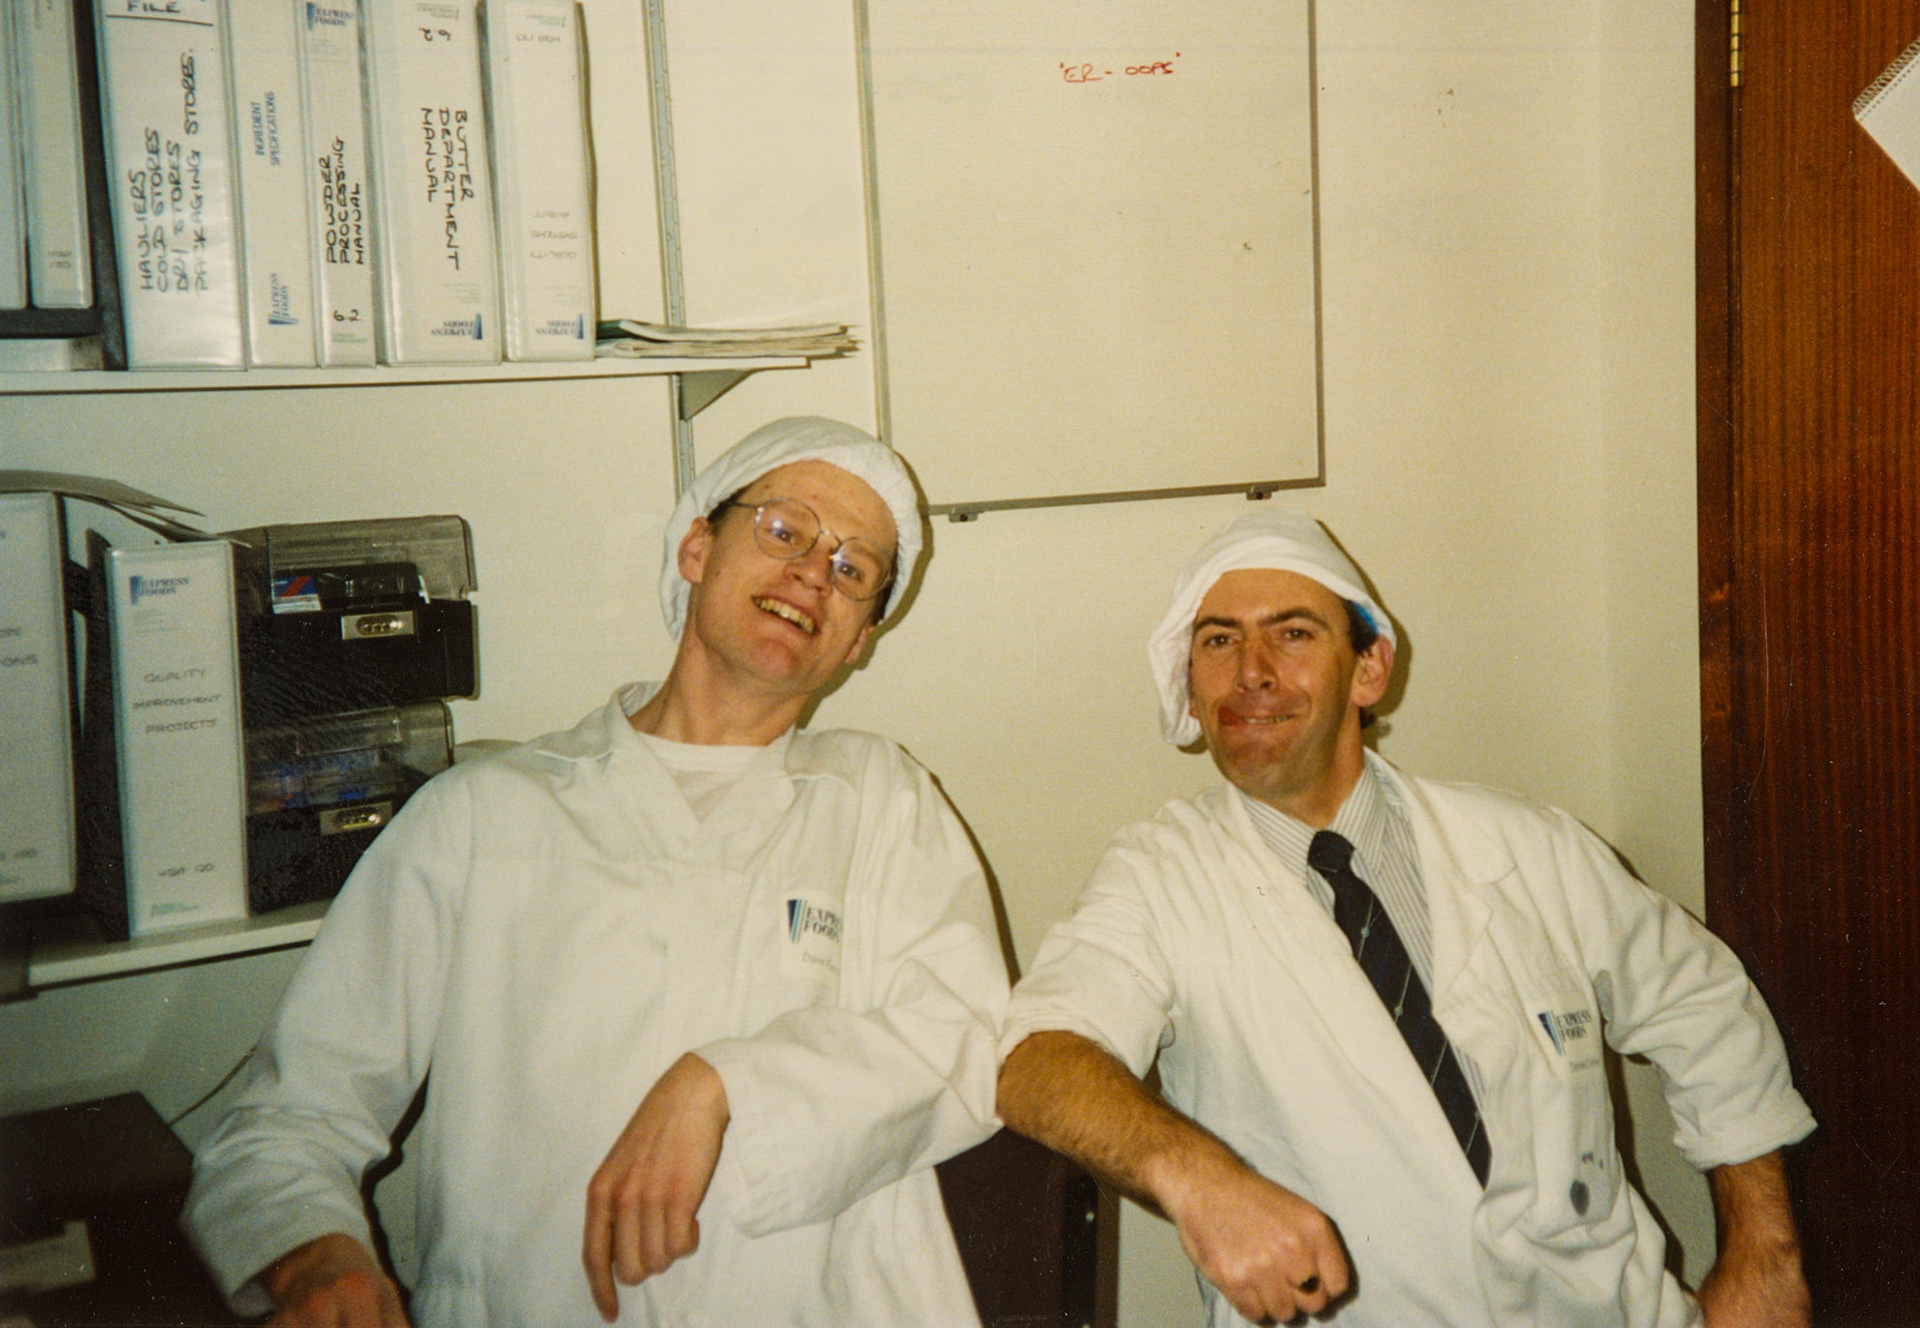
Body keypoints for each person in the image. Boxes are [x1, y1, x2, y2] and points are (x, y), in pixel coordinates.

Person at [185, 417, 1009, 1326]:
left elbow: (966, 1040)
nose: (815, 571)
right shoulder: (485, 814)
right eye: (785, 529)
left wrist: (725, 1083)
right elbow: (287, 1117)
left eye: (855, 569)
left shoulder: (879, 797)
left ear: (858, 640)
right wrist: (316, 1258)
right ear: (697, 545)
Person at [995, 508, 1816, 1328]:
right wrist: (1197, 1177)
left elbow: (1702, 1003)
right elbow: (1038, 1060)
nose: (1251, 671)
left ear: (1369, 669)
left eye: (1292, 635)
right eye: (1217, 641)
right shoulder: (1158, 878)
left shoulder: (1525, 843)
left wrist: (1763, 1255)